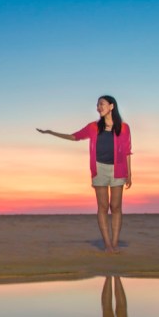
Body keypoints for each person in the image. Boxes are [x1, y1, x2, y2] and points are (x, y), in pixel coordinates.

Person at [37, 95, 132, 254]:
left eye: (101, 104)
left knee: (116, 207)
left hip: (118, 169)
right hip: (99, 169)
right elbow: (75, 137)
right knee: (103, 207)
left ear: (111, 106)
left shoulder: (124, 127)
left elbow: (128, 151)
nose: (98, 107)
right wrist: (51, 132)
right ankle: (107, 245)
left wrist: (130, 174)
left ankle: (115, 243)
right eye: (97, 105)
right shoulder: (93, 127)